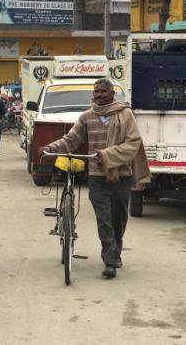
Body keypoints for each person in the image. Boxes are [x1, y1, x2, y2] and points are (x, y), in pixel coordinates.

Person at [42, 78, 149, 279]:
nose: (99, 95)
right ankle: (110, 260)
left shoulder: (125, 115)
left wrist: (108, 155)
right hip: (97, 177)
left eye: (103, 92)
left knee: (118, 218)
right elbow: (71, 139)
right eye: (96, 92)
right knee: (104, 219)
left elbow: (133, 143)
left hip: (121, 174)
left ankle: (116, 251)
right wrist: (52, 148)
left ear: (111, 94)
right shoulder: (87, 117)